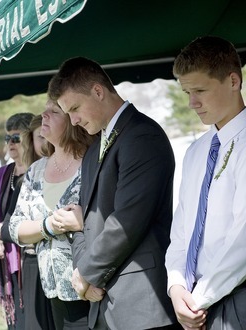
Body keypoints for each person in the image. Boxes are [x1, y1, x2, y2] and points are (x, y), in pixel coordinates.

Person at [47, 56, 179, 330]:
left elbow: (127, 221)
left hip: (143, 304)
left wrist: (87, 274)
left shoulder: (142, 136)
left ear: (98, 91)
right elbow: (81, 218)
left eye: (75, 108)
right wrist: (84, 276)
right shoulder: (94, 149)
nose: (72, 121)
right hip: (105, 302)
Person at [165, 36, 246, 329]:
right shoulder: (195, 152)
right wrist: (177, 287)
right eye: (187, 92)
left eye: (200, 90)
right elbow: (182, 229)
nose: (192, 103)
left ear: (233, 81)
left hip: (238, 301)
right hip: (193, 303)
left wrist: (197, 300)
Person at [0, 99, 95, 329]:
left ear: (72, 120)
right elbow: (14, 227)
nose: (43, 115)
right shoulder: (36, 170)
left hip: (92, 290)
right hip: (52, 293)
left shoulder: (92, 162)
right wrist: (49, 226)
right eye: (45, 109)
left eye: (54, 111)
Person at [0, 112, 34, 329]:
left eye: (16, 138)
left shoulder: (40, 170)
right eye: (7, 138)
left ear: (30, 139)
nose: (10, 143)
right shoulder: (1, 174)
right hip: (8, 266)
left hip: (32, 263)